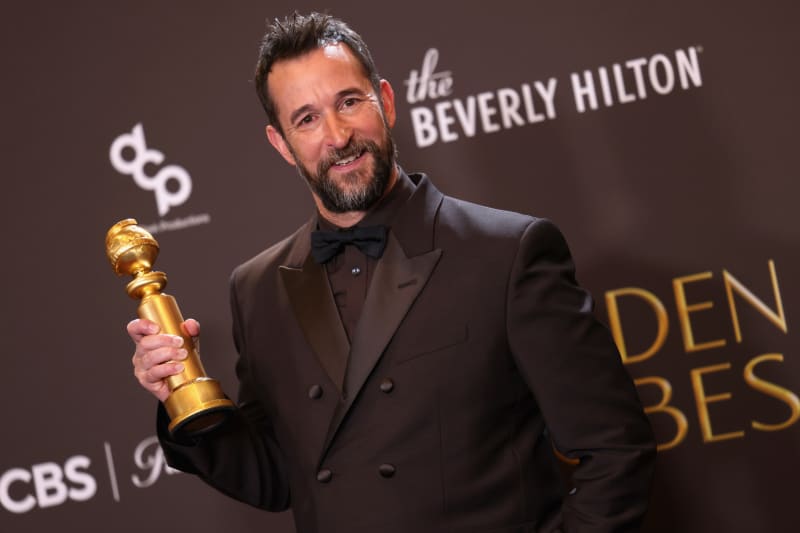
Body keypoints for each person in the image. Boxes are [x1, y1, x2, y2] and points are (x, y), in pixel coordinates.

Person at [128, 11, 656, 533]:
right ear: (281, 144)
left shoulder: (507, 253)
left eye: (349, 102)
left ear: (386, 101)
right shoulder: (258, 288)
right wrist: (177, 394)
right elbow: (275, 478)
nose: (336, 136)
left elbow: (614, 448)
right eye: (306, 119)